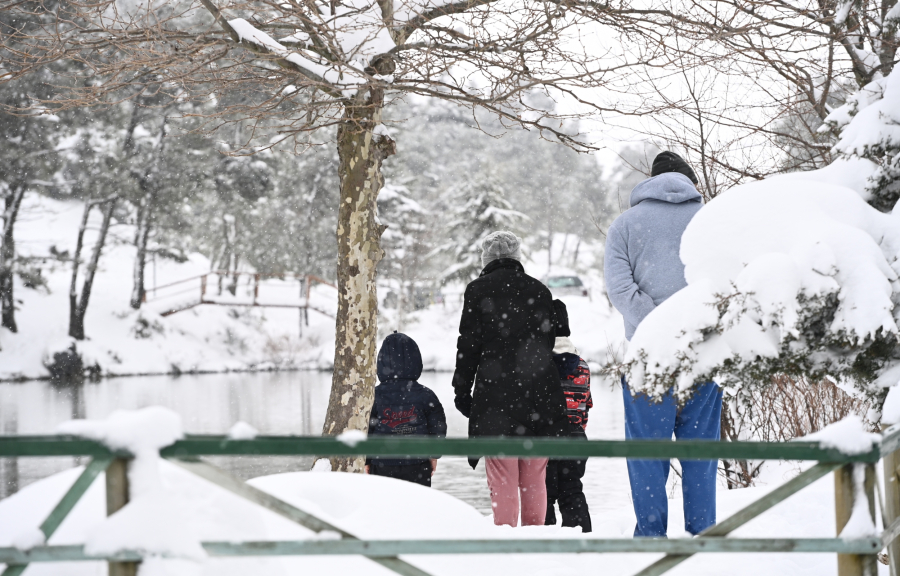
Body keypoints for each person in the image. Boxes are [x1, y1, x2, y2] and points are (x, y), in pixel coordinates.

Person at [604, 151, 723, 538]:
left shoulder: (625, 225)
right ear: (689, 181)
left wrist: (657, 327)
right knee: (700, 454)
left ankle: (651, 539)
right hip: (702, 354)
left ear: (650, 180)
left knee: (646, 455)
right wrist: (692, 326)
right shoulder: (710, 221)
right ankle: (702, 535)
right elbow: (725, 284)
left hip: (647, 358)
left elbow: (621, 289)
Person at [452, 230, 569, 527]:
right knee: (534, 475)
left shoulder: (477, 290)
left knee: (503, 473)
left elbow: (469, 346)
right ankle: (534, 541)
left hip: (497, 397)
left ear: (486, 259)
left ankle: (505, 542)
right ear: (517, 258)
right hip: (539, 395)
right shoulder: (539, 290)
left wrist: (462, 392)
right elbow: (548, 343)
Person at [365, 331, 447, 487]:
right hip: (417, 463)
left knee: (384, 507)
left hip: (382, 463)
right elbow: (438, 427)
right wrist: (434, 455)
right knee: (417, 507)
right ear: (416, 361)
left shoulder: (373, 396)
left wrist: (368, 459)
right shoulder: (426, 395)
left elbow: (367, 429)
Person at [544, 299, 593, 533]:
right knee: (572, 490)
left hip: (546, 436)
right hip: (575, 438)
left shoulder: (539, 363)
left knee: (542, 494)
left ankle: (545, 542)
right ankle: (582, 539)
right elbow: (586, 405)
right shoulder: (582, 365)